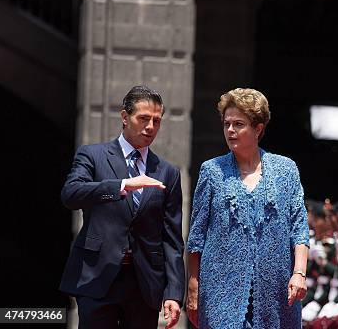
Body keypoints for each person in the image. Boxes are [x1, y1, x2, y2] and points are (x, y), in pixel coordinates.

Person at [59, 86, 185, 328]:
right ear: (125, 117)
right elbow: (71, 194)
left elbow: (172, 239)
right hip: (97, 276)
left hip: (144, 283)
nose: (150, 127)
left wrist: (173, 292)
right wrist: (122, 184)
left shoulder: (167, 172)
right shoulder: (93, 155)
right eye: (144, 119)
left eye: (156, 121)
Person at [186, 88, 309, 328]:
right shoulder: (211, 171)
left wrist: (299, 273)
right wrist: (193, 288)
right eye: (226, 124)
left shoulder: (286, 170)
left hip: (276, 294)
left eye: (238, 124)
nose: (230, 130)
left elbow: (299, 227)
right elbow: (196, 237)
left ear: (258, 128)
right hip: (220, 292)